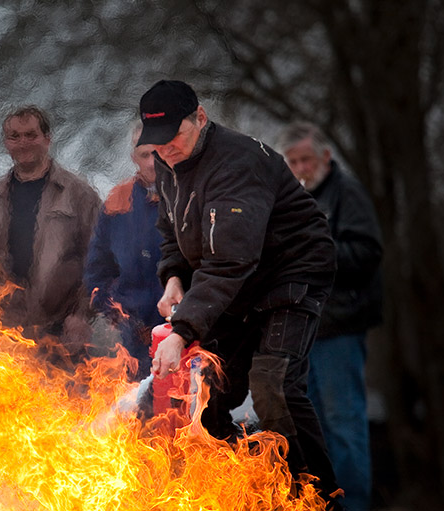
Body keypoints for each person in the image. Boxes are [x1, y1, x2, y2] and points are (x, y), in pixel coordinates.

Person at [140, 80, 341, 506]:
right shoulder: (167, 161)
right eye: (156, 142)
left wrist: (181, 331)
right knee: (205, 398)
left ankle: (320, 500)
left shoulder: (238, 162)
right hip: (240, 285)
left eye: (174, 136)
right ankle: (249, 492)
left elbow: (230, 261)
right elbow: (172, 233)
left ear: (200, 117)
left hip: (290, 272)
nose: (166, 149)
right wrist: (174, 276)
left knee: (273, 385)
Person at [276, 121, 383, 511]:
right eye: (293, 160)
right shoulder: (289, 201)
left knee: (344, 426)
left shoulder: (347, 193)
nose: (301, 167)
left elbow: (368, 253)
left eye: (306, 158)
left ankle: (354, 504)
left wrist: (316, 250)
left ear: (325, 156)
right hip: (302, 334)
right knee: (312, 430)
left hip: (340, 329)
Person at [0, 105, 101, 369]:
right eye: (15, 136)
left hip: (61, 335)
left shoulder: (79, 196)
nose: (23, 143)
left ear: (47, 139)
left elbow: (100, 261)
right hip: (1, 336)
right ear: (6, 143)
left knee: (64, 408)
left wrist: (81, 316)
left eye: (30, 135)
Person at [82, 122, 162, 380]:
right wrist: (120, 314)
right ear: (133, 158)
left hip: (182, 331)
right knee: (139, 412)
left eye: (158, 153)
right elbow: (97, 271)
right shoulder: (118, 199)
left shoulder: (191, 196)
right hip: (132, 339)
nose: (152, 162)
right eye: (145, 155)